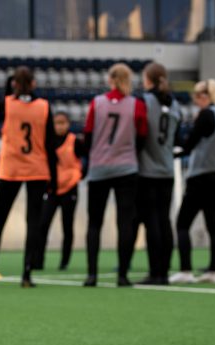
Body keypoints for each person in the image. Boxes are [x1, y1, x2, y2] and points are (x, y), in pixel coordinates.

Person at [0, 66, 57, 288]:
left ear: (14, 84)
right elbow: (51, 144)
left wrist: (8, 92)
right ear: (33, 84)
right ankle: (27, 275)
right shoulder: (44, 106)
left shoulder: (7, 103)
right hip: (37, 169)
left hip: (10, 167)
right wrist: (54, 177)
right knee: (33, 222)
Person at [83, 62, 147, 287]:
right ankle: (123, 275)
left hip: (99, 168)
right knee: (125, 222)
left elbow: (88, 134)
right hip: (126, 168)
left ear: (110, 79)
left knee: (94, 223)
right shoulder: (136, 105)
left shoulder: (97, 103)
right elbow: (142, 135)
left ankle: (92, 275)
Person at [169, 80, 215, 285]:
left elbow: (190, 144)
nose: (195, 100)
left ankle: (186, 269)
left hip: (201, 175)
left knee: (182, 223)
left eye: (197, 96)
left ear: (205, 96)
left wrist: (176, 151)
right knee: (214, 225)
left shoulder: (207, 115)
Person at [136, 62, 182, 286]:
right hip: (167, 169)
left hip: (147, 170)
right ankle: (164, 271)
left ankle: (155, 271)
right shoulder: (175, 104)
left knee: (152, 222)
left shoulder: (144, 101)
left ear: (148, 80)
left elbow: (140, 132)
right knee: (164, 220)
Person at [35, 111, 86, 271]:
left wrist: (80, 175)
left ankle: (64, 262)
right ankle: (38, 261)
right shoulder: (47, 141)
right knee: (42, 225)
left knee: (67, 226)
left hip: (69, 189)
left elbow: (87, 157)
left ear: (68, 124)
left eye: (63, 122)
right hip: (51, 190)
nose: (60, 126)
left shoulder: (75, 142)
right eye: (57, 123)